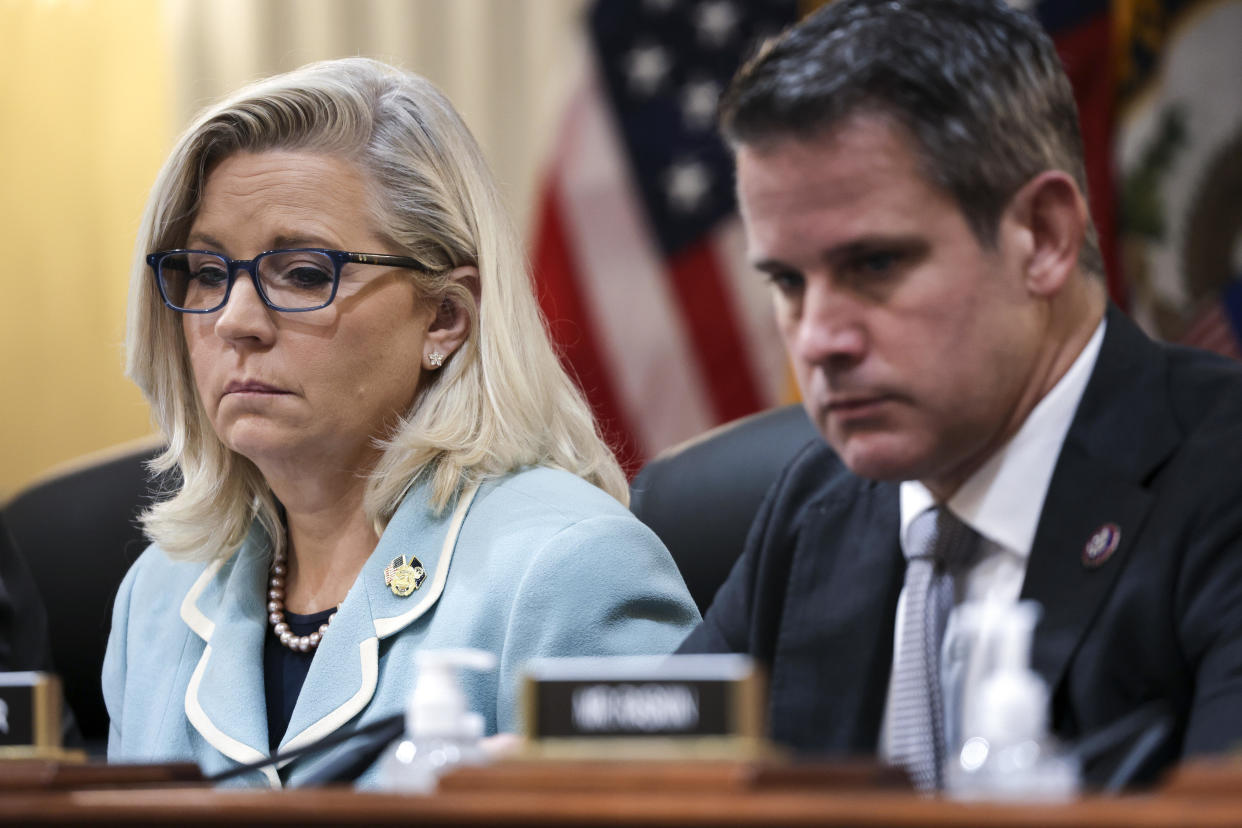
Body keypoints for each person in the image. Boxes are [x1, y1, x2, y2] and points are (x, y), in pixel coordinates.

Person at [679, 0, 1242, 790]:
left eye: (874, 265)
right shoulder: (813, 510)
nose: (816, 339)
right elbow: (647, 777)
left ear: (1042, 237)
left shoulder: (1222, 484)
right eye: (787, 282)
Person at [103, 57, 699, 788]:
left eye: (303, 273)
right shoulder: (160, 593)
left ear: (445, 317)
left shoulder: (572, 568)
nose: (235, 321)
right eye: (206, 271)